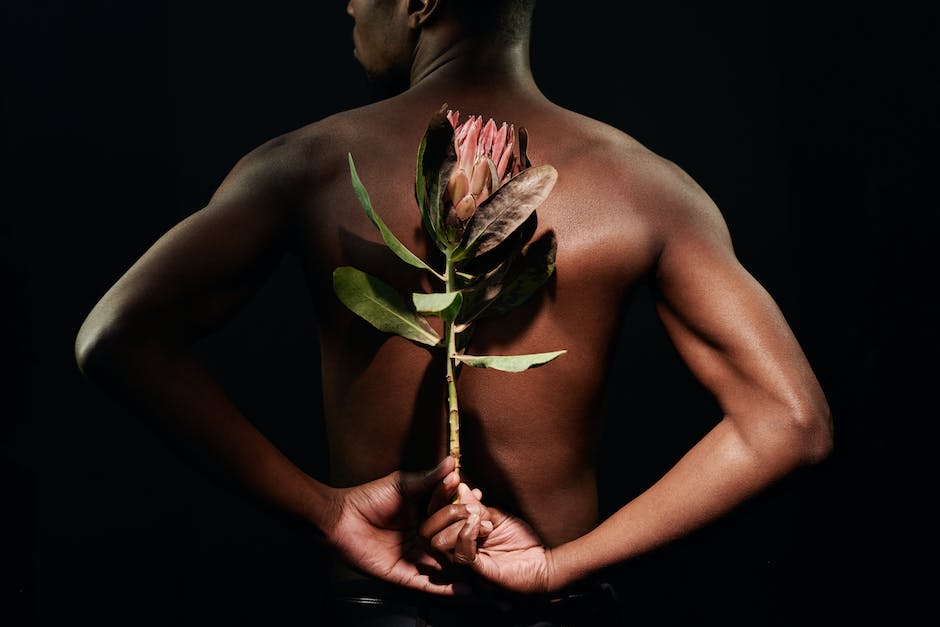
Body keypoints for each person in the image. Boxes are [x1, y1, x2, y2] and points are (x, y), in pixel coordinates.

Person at [74, 0, 833, 624]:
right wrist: (558, 564)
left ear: (418, 5)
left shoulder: (304, 167)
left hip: (379, 606)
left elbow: (115, 336)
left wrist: (327, 512)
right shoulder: (647, 188)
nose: (348, 5)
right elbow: (790, 420)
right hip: (562, 608)